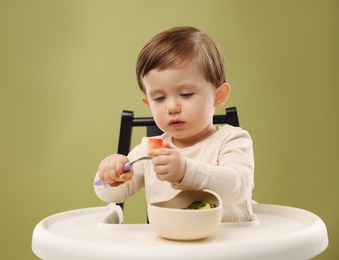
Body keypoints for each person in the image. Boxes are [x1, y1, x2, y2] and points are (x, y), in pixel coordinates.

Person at [94, 26, 254, 222]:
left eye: (186, 94)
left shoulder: (232, 139)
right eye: (159, 98)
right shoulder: (150, 150)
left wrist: (185, 172)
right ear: (148, 103)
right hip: (168, 249)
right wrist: (110, 175)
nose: (172, 107)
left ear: (218, 96)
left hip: (228, 247)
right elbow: (111, 195)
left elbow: (238, 187)